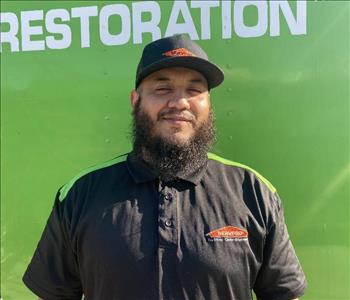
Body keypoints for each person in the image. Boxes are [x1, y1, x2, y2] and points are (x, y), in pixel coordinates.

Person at [23, 34, 307, 300]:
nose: (179, 102)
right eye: (162, 88)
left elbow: (283, 294)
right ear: (136, 101)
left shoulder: (253, 191)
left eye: (194, 89)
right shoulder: (80, 195)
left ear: (209, 105)